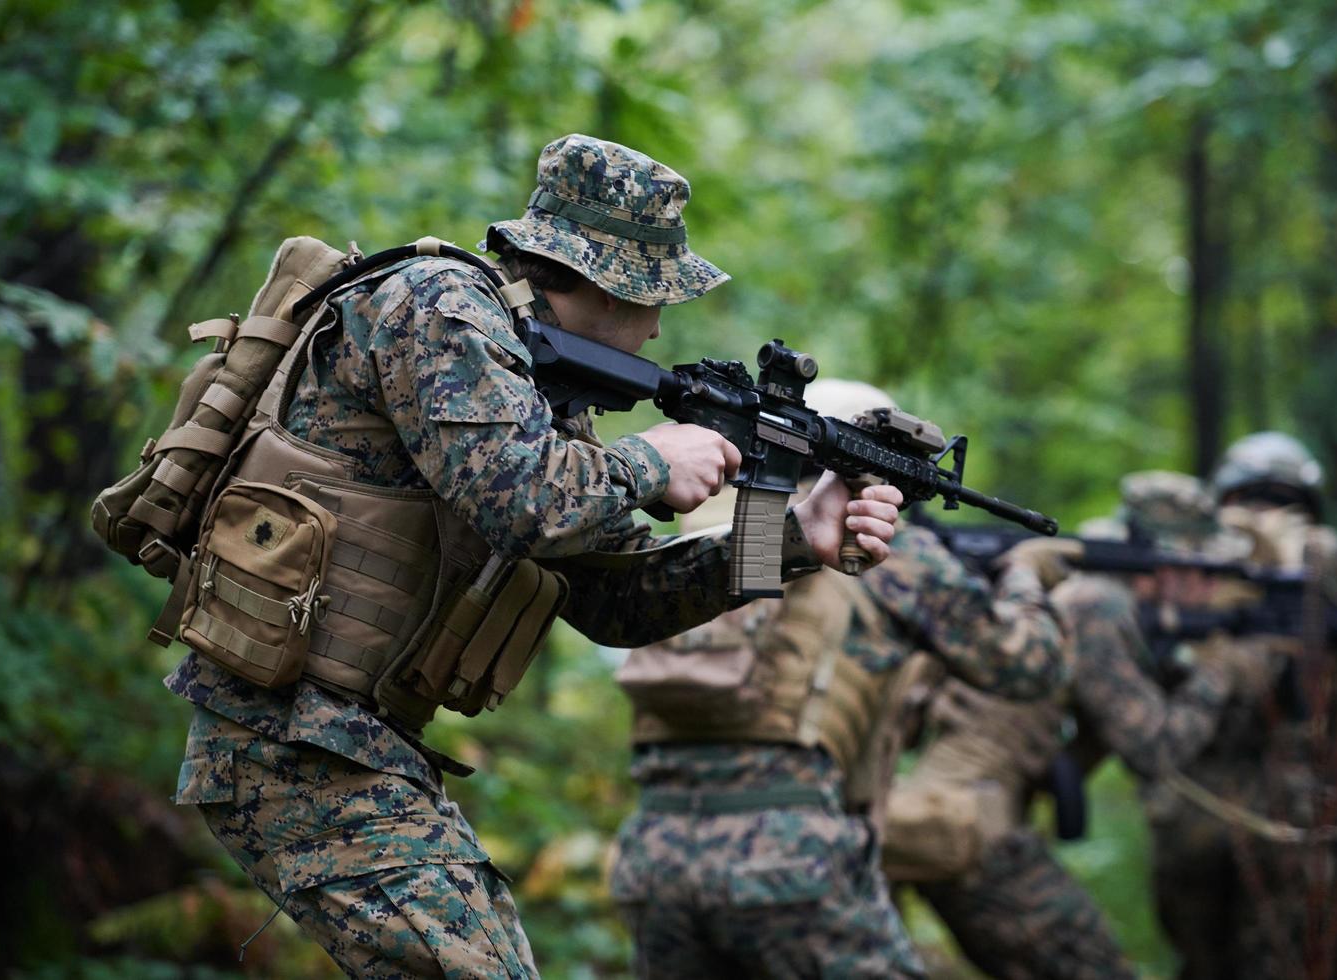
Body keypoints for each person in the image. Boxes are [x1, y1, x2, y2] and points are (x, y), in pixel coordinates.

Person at [162, 135, 902, 979]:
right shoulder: (435, 305)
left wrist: (793, 539)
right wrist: (653, 460)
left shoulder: (538, 397)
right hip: (286, 739)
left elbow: (616, 601)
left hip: (354, 747)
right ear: (590, 277)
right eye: (650, 294)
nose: (658, 324)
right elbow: (523, 502)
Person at [607, 379, 1066, 979]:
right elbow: (1025, 665)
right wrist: (1026, 577)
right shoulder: (881, 545)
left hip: (653, 855)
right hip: (793, 853)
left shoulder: (708, 528)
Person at [881, 470, 1268, 980]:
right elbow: (1155, 750)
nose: (1211, 589)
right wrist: (1222, 669)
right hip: (976, 834)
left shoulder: (1083, 598)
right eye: (1207, 572)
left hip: (953, 821)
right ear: (1173, 566)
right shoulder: (1098, 605)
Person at [1145, 432, 1337, 980]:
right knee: (1203, 958)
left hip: (1290, 808)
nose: (1260, 516)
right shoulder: (1190, 563)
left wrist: (1301, 555)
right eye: (1247, 500)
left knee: (1284, 958)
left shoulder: (1330, 565)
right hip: (1198, 802)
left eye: (1278, 503)